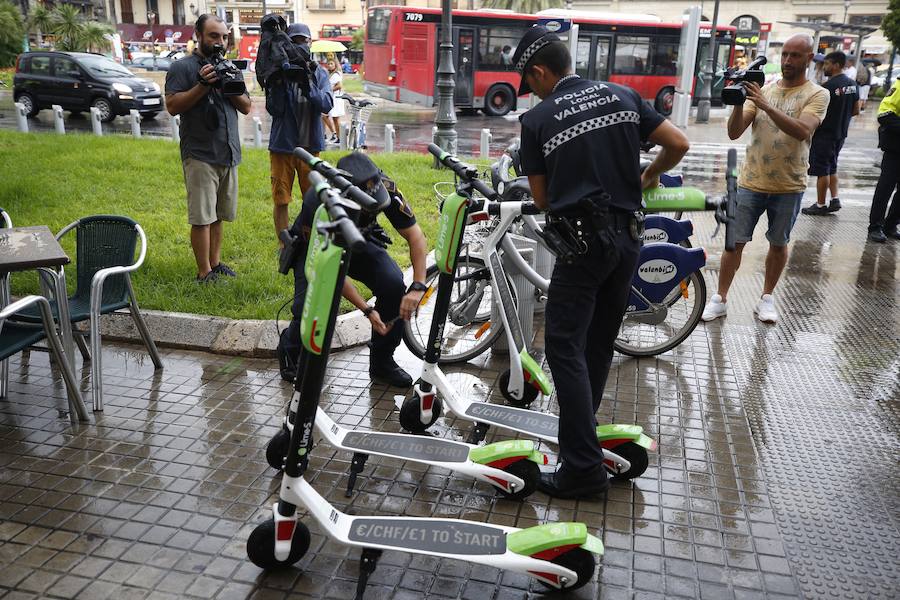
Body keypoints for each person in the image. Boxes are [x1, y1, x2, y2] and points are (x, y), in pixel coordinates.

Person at [512, 27, 689, 498]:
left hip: (584, 244)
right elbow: (679, 143)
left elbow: (544, 199)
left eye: (531, 84)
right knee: (598, 343)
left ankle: (583, 469)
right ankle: (582, 437)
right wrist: (647, 174)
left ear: (539, 72)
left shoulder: (537, 121)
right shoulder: (623, 94)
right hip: (629, 239)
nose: (533, 94)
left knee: (563, 348)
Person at [702, 34, 829, 324]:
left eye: (795, 55)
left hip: (789, 184)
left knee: (778, 243)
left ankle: (766, 298)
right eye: (784, 54)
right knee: (734, 243)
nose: (787, 61)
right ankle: (720, 298)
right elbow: (734, 132)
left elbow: (802, 131)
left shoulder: (817, 94)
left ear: (809, 59)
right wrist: (738, 102)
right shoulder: (764, 91)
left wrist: (766, 105)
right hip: (750, 181)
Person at [277, 153, 428, 388]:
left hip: (360, 238)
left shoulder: (385, 186)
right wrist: (367, 309)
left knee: (393, 284)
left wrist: (418, 286)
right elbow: (329, 273)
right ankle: (291, 349)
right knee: (314, 303)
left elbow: (415, 235)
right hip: (318, 246)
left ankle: (382, 362)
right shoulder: (318, 202)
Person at [165, 14, 252, 284]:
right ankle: (203, 272)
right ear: (198, 36)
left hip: (227, 152)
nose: (220, 42)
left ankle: (215, 263)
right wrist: (202, 85)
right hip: (200, 153)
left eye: (224, 36)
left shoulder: (229, 67)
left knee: (219, 215)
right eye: (214, 36)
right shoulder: (182, 68)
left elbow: (246, 106)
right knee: (202, 217)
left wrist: (226, 82)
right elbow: (172, 106)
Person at [265, 22, 333, 244]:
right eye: (296, 42)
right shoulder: (279, 72)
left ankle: (309, 241)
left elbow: (327, 104)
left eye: (305, 41)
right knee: (281, 199)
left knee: (312, 200)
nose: (301, 46)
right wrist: (278, 78)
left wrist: (308, 85)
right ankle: (285, 246)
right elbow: (274, 109)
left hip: (310, 148)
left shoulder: (319, 73)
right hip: (283, 146)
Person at [801, 51, 859, 216]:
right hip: (840, 134)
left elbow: (817, 112)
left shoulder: (827, 88)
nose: (825, 67)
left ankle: (820, 205)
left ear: (837, 65)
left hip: (825, 134)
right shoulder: (853, 85)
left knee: (822, 170)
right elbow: (856, 110)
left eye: (827, 64)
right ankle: (834, 199)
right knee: (832, 166)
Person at [867, 80, 900, 243]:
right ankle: (875, 226)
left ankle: (891, 225)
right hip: (896, 149)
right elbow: (884, 114)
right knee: (885, 187)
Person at [322, 57, 344, 145]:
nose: (330, 65)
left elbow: (339, 86)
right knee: (325, 116)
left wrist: (330, 90)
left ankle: (339, 137)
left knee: (335, 118)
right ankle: (335, 134)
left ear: (335, 65)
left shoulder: (336, 74)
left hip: (336, 99)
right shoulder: (329, 74)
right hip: (331, 98)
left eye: (332, 64)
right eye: (328, 64)